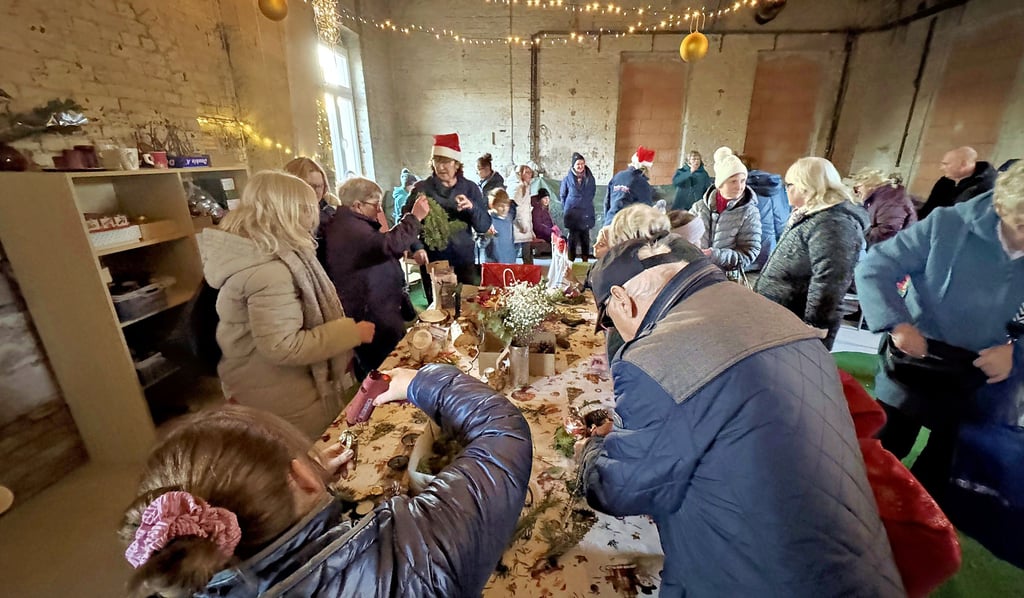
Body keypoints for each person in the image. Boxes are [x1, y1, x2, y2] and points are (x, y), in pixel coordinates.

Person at [580, 235, 903, 597]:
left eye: (609, 320)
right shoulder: (775, 314)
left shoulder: (656, 354)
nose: (615, 332)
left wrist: (591, 451)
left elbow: (619, 490)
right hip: (860, 569)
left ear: (621, 299)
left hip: (753, 578)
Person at [118, 365, 533, 598]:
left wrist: (307, 501)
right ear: (301, 476)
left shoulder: (184, 575)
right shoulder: (416, 550)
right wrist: (420, 381)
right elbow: (502, 433)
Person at [854, 161, 1024, 503]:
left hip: (983, 375)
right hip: (917, 359)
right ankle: (856, 507)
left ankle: (921, 516)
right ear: (1002, 207)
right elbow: (875, 267)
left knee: (944, 465)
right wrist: (898, 324)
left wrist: (1015, 353)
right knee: (884, 447)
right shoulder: (948, 224)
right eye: (1021, 225)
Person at [198, 171, 375, 440]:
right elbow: (283, 346)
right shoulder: (270, 273)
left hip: (264, 385)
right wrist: (350, 332)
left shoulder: (264, 255)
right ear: (287, 213)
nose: (313, 215)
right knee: (310, 453)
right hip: (282, 394)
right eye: (307, 208)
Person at [755, 157, 867, 350]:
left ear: (806, 187)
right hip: (782, 315)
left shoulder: (832, 223)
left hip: (798, 323)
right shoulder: (811, 214)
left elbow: (830, 279)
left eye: (790, 185)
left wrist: (815, 325)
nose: (786, 190)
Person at [325, 177, 430, 376]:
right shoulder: (349, 229)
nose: (379, 210)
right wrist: (414, 218)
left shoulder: (351, 224)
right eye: (375, 205)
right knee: (385, 368)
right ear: (358, 205)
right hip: (372, 313)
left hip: (380, 305)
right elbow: (386, 246)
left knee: (394, 359)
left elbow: (378, 252)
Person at [406, 133, 492, 284]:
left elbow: (483, 226)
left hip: (464, 261)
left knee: (468, 297)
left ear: (456, 164)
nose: (440, 167)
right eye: (436, 160)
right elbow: (407, 223)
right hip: (433, 261)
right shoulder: (422, 189)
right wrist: (417, 247)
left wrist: (472, 208)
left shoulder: (470, 189)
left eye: (445, 161)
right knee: (437, 299)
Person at [689, 146, 762, 276]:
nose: (739, 186)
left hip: (725, 278)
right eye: (733, 181)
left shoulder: (749, 212)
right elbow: (684, 237)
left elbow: (749, 253)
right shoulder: (699, 207)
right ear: (720, 184)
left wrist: (716, 255)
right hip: (696, 273)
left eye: (743, 181)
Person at [284, 157, 337, 269]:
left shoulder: (329, 211)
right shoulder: (286, 218)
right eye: (310, 186)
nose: (317, 191)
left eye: (320, 186)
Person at [918, 146, 997, 220]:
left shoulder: (985, 187)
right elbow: (928, 209)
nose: (941, 168)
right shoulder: (945, 181)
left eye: (946, 164)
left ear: (963, 164)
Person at [742, 159, 790, 270]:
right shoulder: (774, 185)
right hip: (769, 248)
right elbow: (781, 219)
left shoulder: (739, 189)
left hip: (746, 249)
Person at [850, 168, 917, 246]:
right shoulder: (878, 197)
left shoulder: (891, 199)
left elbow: (887, 232)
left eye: (856, 188)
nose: (856, 192)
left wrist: (858, 237)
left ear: (869, 184)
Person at [603, 146, 655, 226]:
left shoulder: (618, 176)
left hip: (610, 221)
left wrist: (607, 221)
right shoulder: (642, 183)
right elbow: (646, 210)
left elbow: (607, 202)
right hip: (626, 227)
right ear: (646, 168)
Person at [560, 152, 597, 261]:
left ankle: (585, 261)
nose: (580, 166)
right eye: (578, 164)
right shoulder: (567, 179)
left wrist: (585, 203)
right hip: (573, 215)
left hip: (586, 213)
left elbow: (592, 193)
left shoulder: (590, 179)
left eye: (582, 163)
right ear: (573, 165)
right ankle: (570, 262)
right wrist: (569, 208)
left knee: (585, 239)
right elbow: (563, 196)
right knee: (573, 239)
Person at [509, 162, 539, 264]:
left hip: (525, 226)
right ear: (520, 174)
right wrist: (520, 224)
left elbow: (526, 210)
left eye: (530, 172)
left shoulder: (526, 187)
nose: (529, 175)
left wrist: (531, 230)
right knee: (517, 255)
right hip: (518, 227)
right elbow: (514, 208)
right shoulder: (518, 188)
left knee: (528, 254)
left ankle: (529, 272)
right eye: (526, 172)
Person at [484, 188, 516, 263]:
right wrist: (487, 236)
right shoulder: (487, 219)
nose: (505, 209)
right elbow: (481, 245)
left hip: (509, 262)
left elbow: (511, 241)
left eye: (507, 205)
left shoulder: (509, 219)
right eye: (501, 206)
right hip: (494, 264)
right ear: (492, 205)